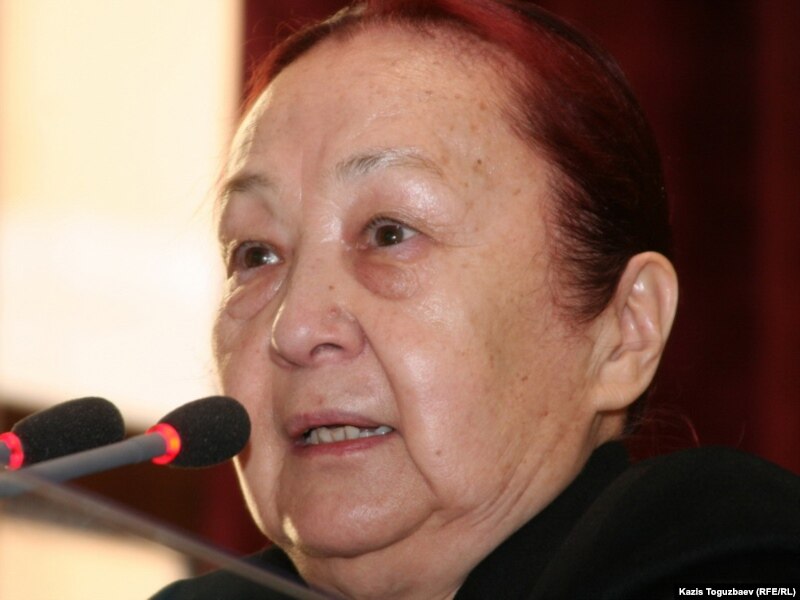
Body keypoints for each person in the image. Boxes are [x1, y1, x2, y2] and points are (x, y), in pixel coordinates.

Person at [153, 1, 800, 598]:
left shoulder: (727, 558)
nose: (294, 327)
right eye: (255, 254)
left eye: (389, 234)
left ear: (626, 330)